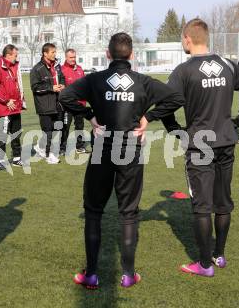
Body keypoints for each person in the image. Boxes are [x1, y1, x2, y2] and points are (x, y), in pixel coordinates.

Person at [59, 32, 184, 289]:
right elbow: (175, 98)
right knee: (128, 213)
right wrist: (149, 117)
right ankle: (128, 274)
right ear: (132, 55)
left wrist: (90, 115)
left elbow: (65, 96)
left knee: (93, 212)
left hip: (102, 150)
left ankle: (91, 274)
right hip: (130, 150)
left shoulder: (94, 79)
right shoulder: (142, 81)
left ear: (107, 54)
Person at [163, 19, 239, 277]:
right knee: (223, 202)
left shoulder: (184, 71)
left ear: (187, 38)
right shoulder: (228, 64)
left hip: (199, 144)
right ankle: (219, 255)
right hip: (226, 142)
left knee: (201, 205)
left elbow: (164, 105)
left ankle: (205, 264)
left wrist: (176, 131)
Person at [0, 44, 25, 170]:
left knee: (16, 133)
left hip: (16, 108)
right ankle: (0, 160)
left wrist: (21, 102)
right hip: (4, 109)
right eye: (15, 55)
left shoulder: (15, 67)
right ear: (8, 55)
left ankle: (16, 158)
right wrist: (6, 101)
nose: (17, 57)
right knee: (3, 135)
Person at [30, 43, 66, 164]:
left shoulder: (57, 66)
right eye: (52, 52)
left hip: (57, 103)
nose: (55, 54)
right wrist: (51, 88)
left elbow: (62, 78)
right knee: (48, 131)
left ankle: (40, 147)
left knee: (56, 129)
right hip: (44, 104)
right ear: (45, 53)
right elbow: (35, 87)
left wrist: (62, 84)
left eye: (55, 52)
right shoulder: (37, 69)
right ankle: (48, 156)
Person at [60, 48, 87, 154]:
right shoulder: (61, 70)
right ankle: (62, 147)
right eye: (71, 57)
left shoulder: (80, 69)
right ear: (66, 57)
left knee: (80, 126)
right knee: (65, 126)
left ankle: (79, 146)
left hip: (80, 104)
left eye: (74, 57)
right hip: (68, 105)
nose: (73, 59)